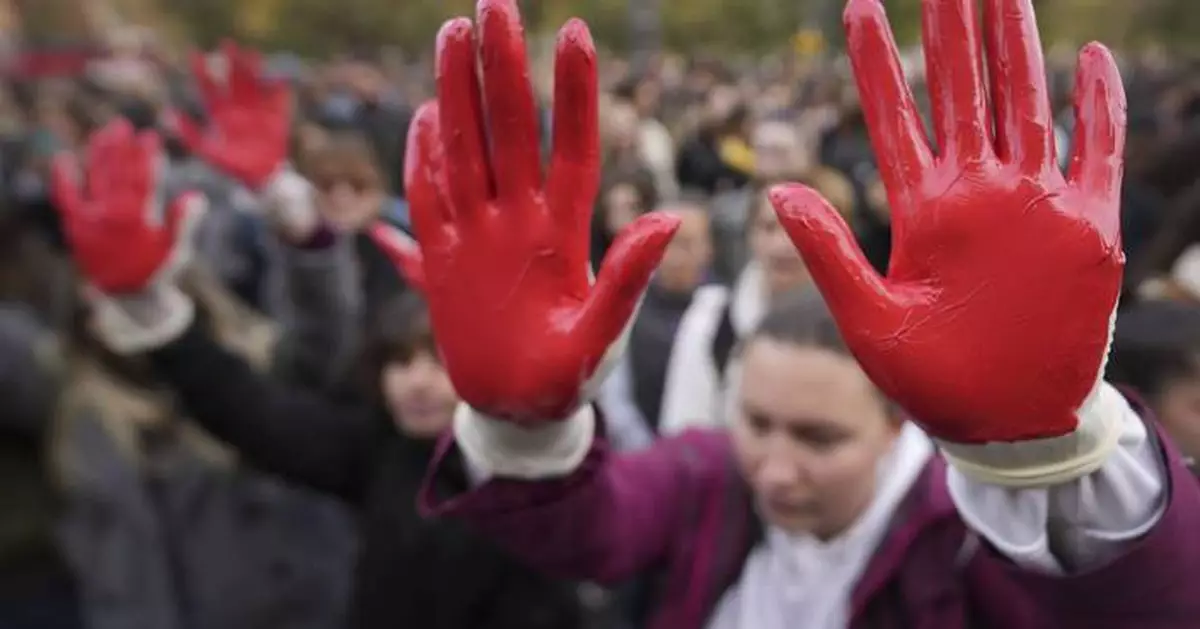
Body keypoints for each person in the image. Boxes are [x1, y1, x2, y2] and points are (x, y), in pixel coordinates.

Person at [395, 1, 1200, 628]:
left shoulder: (961, 537)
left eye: (820, 437)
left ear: (896, 427)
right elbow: (590, 531)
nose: (776, 468)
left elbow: (1149, 609)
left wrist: (1045, 454)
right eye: (758, 422)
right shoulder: (710, 480)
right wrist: (520, 431)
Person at [49, 45, 592, 629]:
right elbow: (250, 410)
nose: (416, 383)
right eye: (399, 364)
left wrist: (544, 418)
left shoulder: (530, 476)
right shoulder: (378, 453)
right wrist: (157, 317)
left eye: (438, 363)